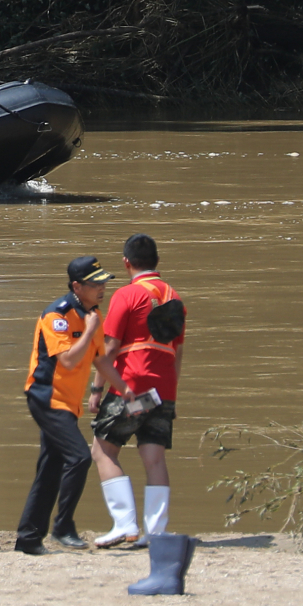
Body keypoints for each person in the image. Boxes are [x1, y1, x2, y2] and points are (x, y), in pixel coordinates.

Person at [15, 256, 131, 556]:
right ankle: (62, 527)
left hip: (67, 401)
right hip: (45, 397)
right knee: (79, 457)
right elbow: (66, 359)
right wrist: (90, 330)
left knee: (50, 468)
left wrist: (124, 389)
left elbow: (100, 358)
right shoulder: (58, 315)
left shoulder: (91, 313)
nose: (102, 288)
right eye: (96, 284)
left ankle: (28, 538)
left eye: (104, 282)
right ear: (77, 286)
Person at [88, 234, 187, 548]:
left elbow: (111, 346)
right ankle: (155, 533)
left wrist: (96, 388)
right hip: (164, 389)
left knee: (103, 450)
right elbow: (178, 353)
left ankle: (125, 525)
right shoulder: (176, 298)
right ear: (157, 261)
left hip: (133, 389)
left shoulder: (126, 295)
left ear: (126, 262)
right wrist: (171, 394)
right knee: (154, 457)